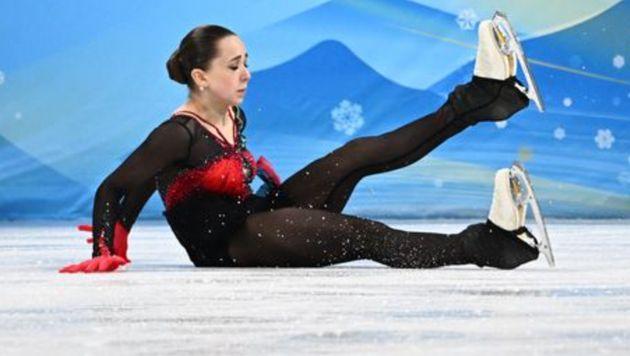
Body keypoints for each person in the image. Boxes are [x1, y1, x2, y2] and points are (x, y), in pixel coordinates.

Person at [60, 20, 542, 273]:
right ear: (200, 77)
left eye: (246, 61)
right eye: (233, 66)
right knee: (367, 235)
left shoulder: (231, 113)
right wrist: (110, 243)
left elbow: (148, 185)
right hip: (232, 246)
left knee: (355, 154)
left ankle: (482, 99)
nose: (246, 73)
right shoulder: (176, 134)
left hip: (256, 215)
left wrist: (120, 230)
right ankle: (492, 245)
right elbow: (120, 184)